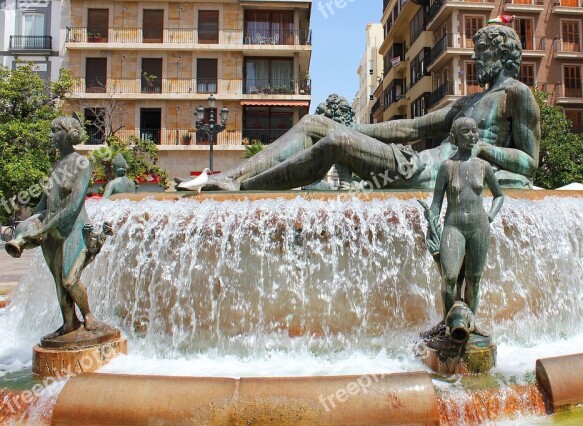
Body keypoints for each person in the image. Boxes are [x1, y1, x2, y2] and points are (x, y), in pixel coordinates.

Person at [194, 25, 540, 191]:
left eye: (483, 52)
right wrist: (352, 127)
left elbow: (529, 163)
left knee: (337, 144)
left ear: (506, 55)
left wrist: (482, 148)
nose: (476, 58)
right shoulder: (467, 102)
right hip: (412, 163)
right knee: (316, 123)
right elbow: (410, 128)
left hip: (424, 173)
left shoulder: (517, 95)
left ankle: (245, 188)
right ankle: (231, 176)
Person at [6, 116, 99, 336]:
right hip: (51, 231)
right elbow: (45, 202)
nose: (51, 136)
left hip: (74, 229)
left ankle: (87, 314)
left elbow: (74, 206)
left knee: (69, 280)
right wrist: (30, 226)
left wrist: (44, 228)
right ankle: (69, 323)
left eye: (55, 131)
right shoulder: (56, 166)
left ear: (69, 134)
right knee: (58, 282)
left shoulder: (81, 164)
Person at [429, 117, 504, 336]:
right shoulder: (447, 167)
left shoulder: (483, 166)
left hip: (479, 227)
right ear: (454, 136)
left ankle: (471, 322)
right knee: (449, 277)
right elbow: (436, 204)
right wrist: (431, 221)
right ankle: (446, 321)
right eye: (465, 131)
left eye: (474, 131)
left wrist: (490, 216)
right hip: (454, 226)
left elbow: (499, 195)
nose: (471, 135)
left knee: (474, 278)